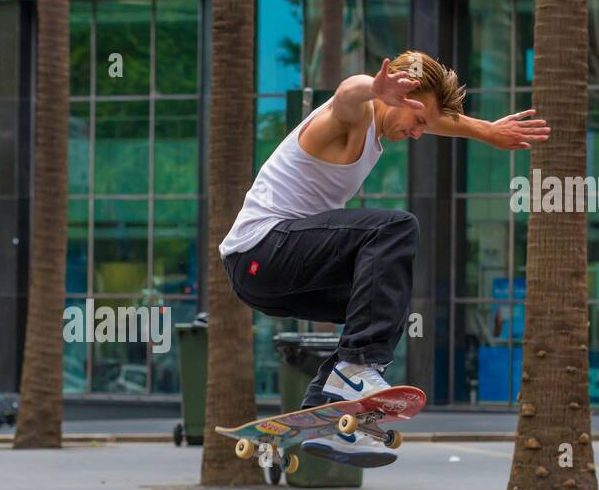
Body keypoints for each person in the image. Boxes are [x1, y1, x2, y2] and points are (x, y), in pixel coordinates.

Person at [220, 51, 548, 466]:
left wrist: (488, 132)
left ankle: (326, 407)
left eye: (424, 126)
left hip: (278, 276)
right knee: (394, 228)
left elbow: (441, 118)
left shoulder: (395, 115)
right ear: (397, 96)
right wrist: (374, 86)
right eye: (417, 122)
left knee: (383, 298)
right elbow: (346, 95)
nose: (417, 134)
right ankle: (356, 368)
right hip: (260, 252)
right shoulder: (348, 118)